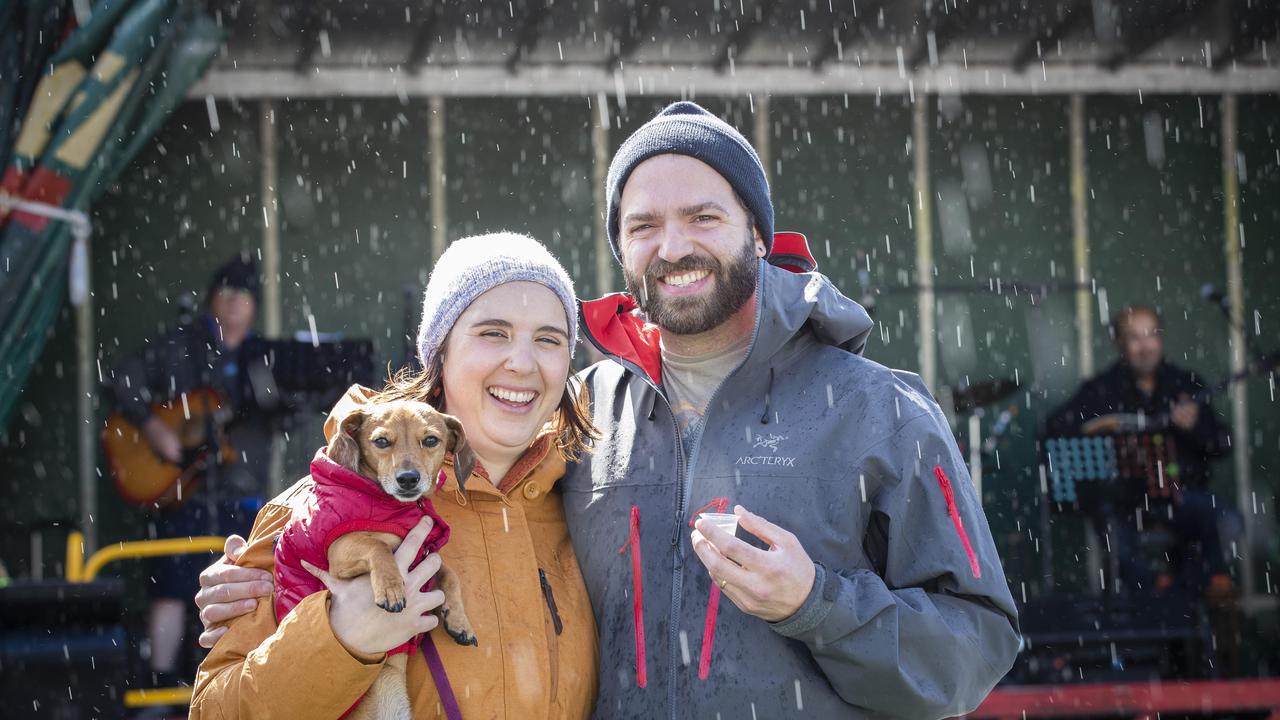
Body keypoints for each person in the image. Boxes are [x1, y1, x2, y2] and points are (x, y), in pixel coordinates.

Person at [197, 103, 1021, 719]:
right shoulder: (587, 419)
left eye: (703, 216)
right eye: (643, 224)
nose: (673, 245)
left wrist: (818, 603)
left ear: (757, 234)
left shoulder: (881, 412)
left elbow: (974, 650)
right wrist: (314, 619)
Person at [189, 233, 599, 718]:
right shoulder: (319, 510)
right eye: (494, 332)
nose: (523, 362)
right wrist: (340, 639)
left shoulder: (591, 504)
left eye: (549, 339)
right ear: (440, 352)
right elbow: (215, 711)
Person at [109, 253, 269, 688]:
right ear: (212, 298)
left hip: (238, 495)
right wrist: (154, 428)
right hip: (182, 491)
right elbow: (122, 377)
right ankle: (160, 690)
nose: (236, 303)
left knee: (241, 593)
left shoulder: (262, 359)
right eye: (228, 292)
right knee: (171, 587)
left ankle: (232, 688)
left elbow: (275, 416)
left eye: (246, 295)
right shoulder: (179, 346)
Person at [1047, 304, 1233, 597]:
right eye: (1134, 337)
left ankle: (1202, 595)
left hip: (1182, 495)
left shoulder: (1185, 383)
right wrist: (1101, 430)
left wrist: (1195, 426)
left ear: (1160, 339)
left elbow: (1223, 444)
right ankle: (1152, 600)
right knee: (1113, 531)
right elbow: (1055, 428)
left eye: (1150, 336)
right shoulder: (1102, 389)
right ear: (1119, 343)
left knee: (1223, 521)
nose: (1144, 346)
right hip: (1125, 501)